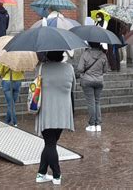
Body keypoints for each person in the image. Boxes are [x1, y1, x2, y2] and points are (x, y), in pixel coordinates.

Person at [35, 51, 75, 185]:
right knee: (51, 143)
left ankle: (56, 175)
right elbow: (73, 88)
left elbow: (36, 87)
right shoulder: (69, 68)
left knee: (49, 144)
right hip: (63, 111)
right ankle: (42, 173)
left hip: (46, 111)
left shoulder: (42, 68)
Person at [77, 42, 108, 132]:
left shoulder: (85, 54)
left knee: (91, 102)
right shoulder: (103, 55)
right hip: (99, 81)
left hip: (87, 80)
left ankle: (92, 124)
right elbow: (105, 70)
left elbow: (79, 69)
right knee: (97, 102)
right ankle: (98, 124)